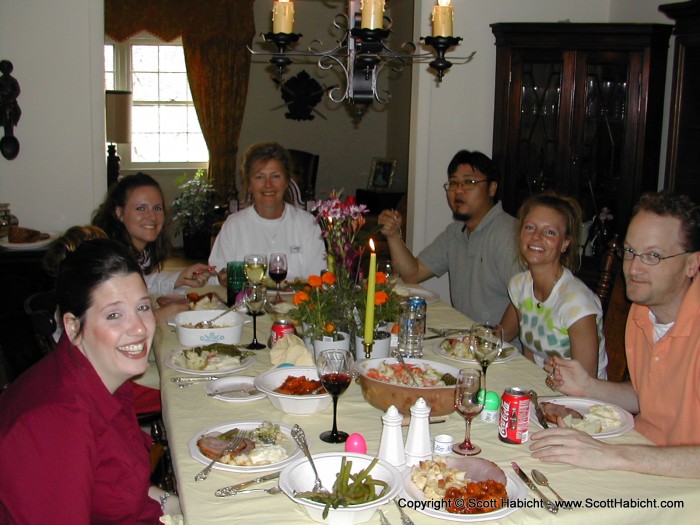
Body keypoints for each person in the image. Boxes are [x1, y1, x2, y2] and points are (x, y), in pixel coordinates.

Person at [0, 238, 174, 522]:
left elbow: (122, 487)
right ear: (72, 326)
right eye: (114, 315)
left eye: (143, 308)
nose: (140, 328)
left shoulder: (102, 377)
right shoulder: (56, 423)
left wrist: (174, 504)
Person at [530, 191, 700, 478]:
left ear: (692, 264)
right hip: (639, 456)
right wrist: (588, 387)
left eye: (653, 256)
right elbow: (647, 394)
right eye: (630, 251)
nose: (633, 268)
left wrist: (611, 455)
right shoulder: (642, 311)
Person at [378, 149, 521, 326]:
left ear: (492, 188)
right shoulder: (455, 232)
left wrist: (494, 342)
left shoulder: (509, 234)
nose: (458, 190)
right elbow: (413, 274)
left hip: (499, 347)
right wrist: (393, 236)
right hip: (464, 337)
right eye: (453, 183)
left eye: (469, 182)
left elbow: (524, 298)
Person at [500, 192, 607, 379]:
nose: (536, 236)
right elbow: (526, 351)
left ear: (565, 243)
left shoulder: (577, 304)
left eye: (549, 232)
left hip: (579, 400)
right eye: (530, 227)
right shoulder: (520, 286)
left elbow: (586, 383)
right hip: (540, 386)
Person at [209, 142, 326, 283]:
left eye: (276, 176)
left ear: (287, 182)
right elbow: (215, 277)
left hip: (297, 303)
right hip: (247, 303)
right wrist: (222, 279)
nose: (268, 185)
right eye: (260, 177)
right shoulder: (233, 225)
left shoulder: (308, 224)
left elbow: (318, 278)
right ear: (249, 185)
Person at [92, 172, 215, 297]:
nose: (152, 216)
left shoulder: (143, 253)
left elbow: (146, 282)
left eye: (157, 208)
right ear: (119, 213)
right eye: (141, 208)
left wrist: (181, 277)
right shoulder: (109, 260)